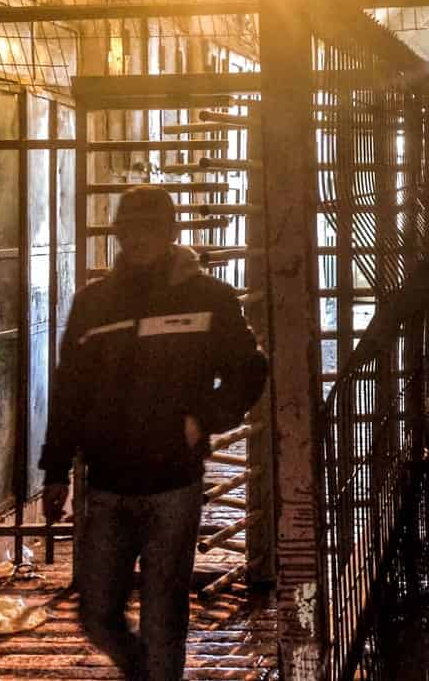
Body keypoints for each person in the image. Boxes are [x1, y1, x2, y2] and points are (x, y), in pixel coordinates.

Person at [40, 185, 268, 681]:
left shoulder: (209, 298)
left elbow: (251, 369)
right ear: (119, 234)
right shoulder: (93, 304)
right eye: (130, 229)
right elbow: (69, 393)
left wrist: (204, 418)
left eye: (150, 228)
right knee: (97, 613)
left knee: (165, 616)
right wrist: (55, 469)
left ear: (170, 233)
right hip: (106, 484)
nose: (138, 239)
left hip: (173, 484)